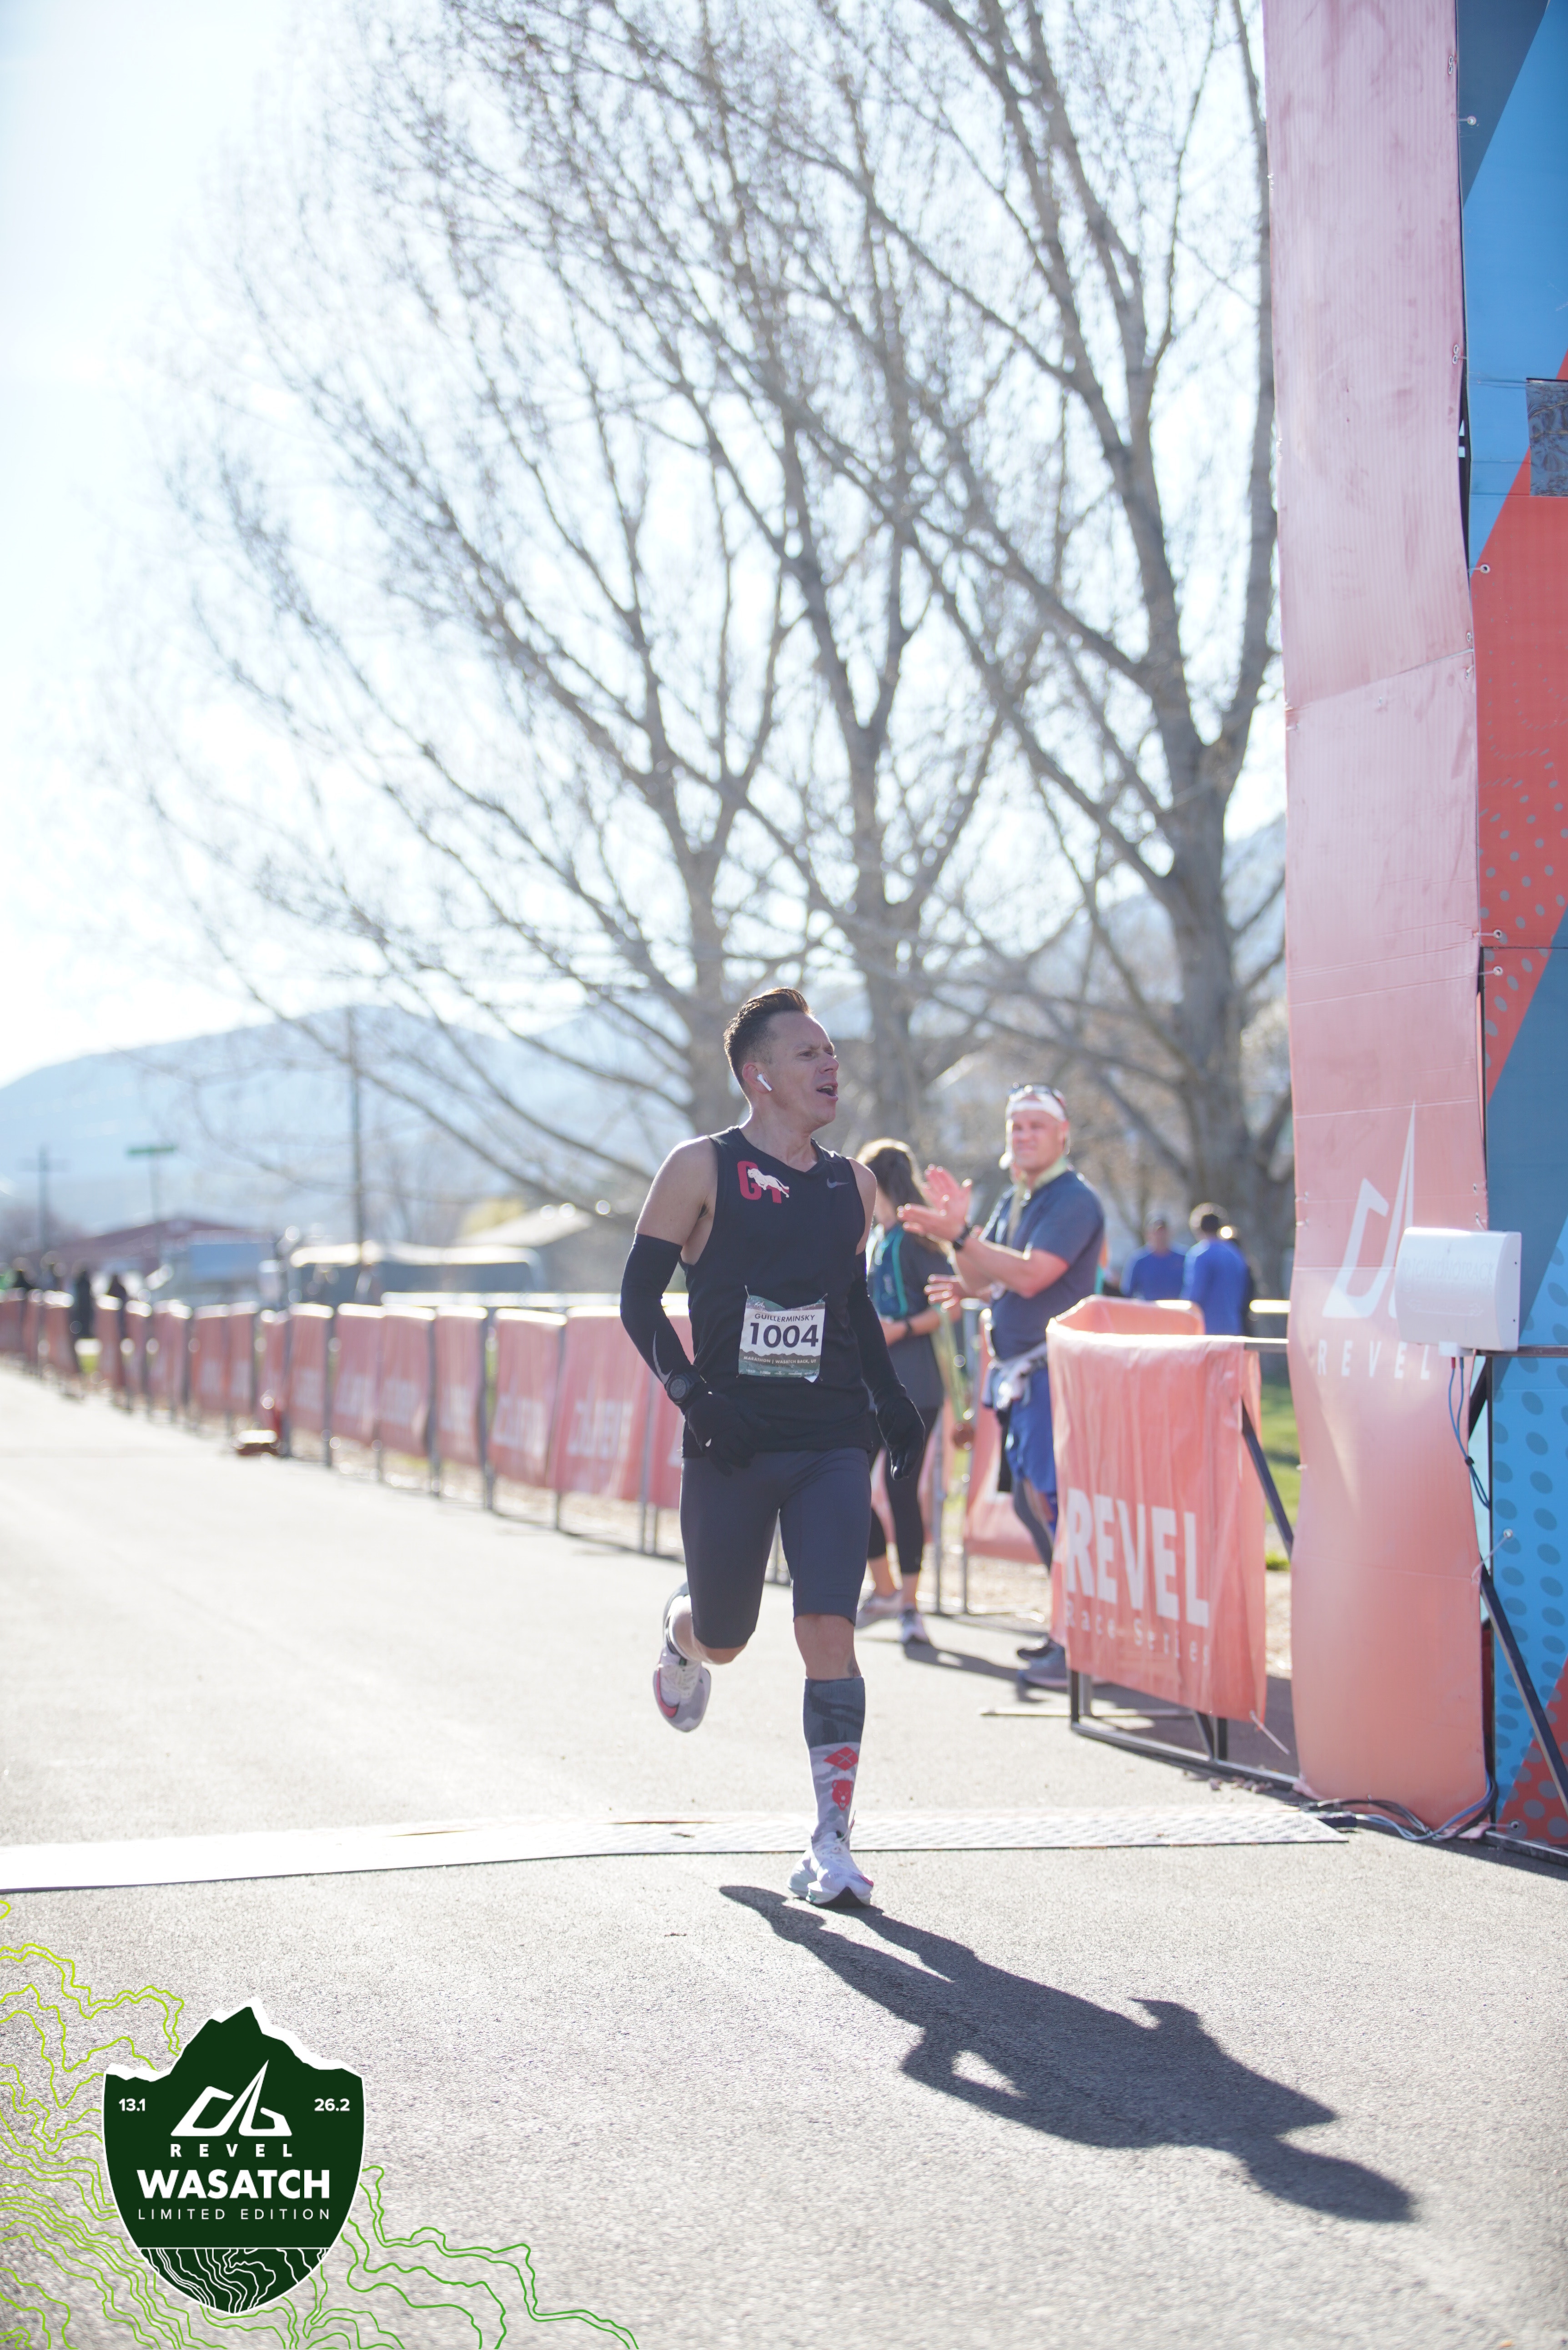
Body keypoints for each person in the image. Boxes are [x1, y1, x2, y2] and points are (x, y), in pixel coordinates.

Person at [619, 988, 925, 1908]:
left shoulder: (851, 1185)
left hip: (829, 1439)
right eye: (807, 1053)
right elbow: (636, 1300)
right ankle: (680, 1636)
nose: (830, 1065)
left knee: (828, 1629)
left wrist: (889, 1401)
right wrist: (694, 1395)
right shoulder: (700, 1167)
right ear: (757, 1075)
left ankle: (831, 1838)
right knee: (725, 1636)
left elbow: (852, 1302)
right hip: (732, 1440)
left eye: (831, 1051)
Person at [901, 1084, 1104, 1690]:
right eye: (1017, 1126)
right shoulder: (1017, 1196)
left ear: (1064, 1135)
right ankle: (1068, 1631)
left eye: (1037, 1125)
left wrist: (964, 1237)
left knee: (1056, 1506)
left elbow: (1034, 1275)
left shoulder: (1074, 1199)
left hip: (1053, 1375)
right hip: (1021, 1378)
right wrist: (956, 1236)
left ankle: (1080, 1642)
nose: (1025, 1135)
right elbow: (975, 1270)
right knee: (1030, 1504)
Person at [854, 1140, 953, 1650]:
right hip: (870, 1388)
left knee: (900, 1492)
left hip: (915, 1387)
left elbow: (949, 1304)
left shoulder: (916, 1237)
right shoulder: (875, 1237)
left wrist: (902, 1328)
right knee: (849, 1484)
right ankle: (886, 1589)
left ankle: (910, 1606)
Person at [1181, 1205, 1253, 1336]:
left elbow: (1195, 1296)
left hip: (1207, 1328)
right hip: (1233, 1326)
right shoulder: (1235, 1254)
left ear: (1198, 1228)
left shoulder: (1200, 1255)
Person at [1122, 1214, 1186, 1303]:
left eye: (1163, 1232)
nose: (1160, 1236)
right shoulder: (1138, 1260)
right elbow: (1127, 1293)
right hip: (1148, 1309)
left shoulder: (1184, 1258)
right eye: (1156, 1232)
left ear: (1170, 1233)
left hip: (1176, 1309)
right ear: (1148, 1234)